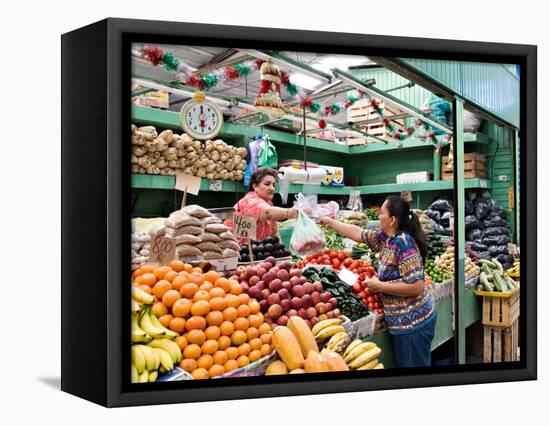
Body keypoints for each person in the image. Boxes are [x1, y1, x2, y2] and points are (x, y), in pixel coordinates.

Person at [320, 196, 436, 368]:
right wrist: (331, 222)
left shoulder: (404, 244)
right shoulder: (386, 237)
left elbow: (417, 286)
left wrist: (379, 286)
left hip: (413, 324)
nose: (378, 216)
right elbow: (358, 233)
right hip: (401, 322)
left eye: (381, 213)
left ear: (392, 220)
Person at [224, 167, 298, 242]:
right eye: (267, 184)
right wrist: (289, 213)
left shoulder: (268, 203)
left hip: (255, 251)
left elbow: (274, 232)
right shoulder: (249, 201)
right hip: (235, 251)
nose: (272, 188)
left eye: (273, 185)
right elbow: (267, 212)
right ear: (255, 186)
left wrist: (283, 252)